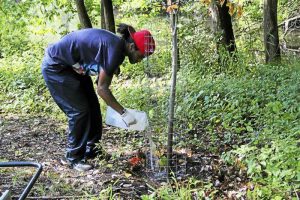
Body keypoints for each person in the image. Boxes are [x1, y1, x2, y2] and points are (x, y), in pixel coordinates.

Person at [41, 24, 155, 171]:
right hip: (56, 67)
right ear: (132, 47)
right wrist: (124, 113)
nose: (141, 60)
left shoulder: (117, 47)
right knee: (79, 111)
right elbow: (102, 89)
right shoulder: (116, 51)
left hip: (73, 67)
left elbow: (97, 57)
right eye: (142, 56)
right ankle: (73, 158)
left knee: (93, 107)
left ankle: (93, 150)